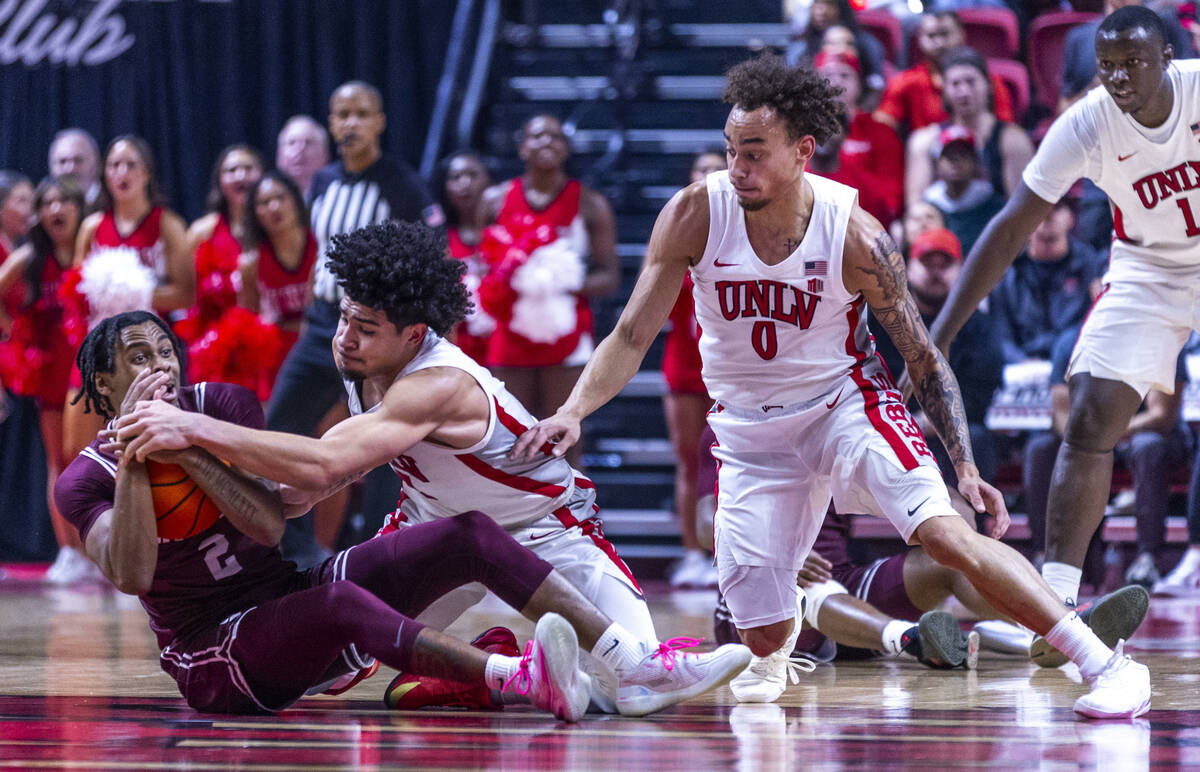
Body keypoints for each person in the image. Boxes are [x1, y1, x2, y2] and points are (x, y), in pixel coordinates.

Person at [508, 54, 1151, 718]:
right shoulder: (696, 214)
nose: (737, 167)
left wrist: (962, 464)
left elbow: (923, 358)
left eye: (754, 152)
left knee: (946, 535)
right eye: (731, 150)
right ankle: (780, 653)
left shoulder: (855, 234)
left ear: (801, 150)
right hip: (749, 430)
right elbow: (631, 335)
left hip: (845, 405)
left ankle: (1104, 662)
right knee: (758, 635)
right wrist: (575, 410)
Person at [110, 221, 750, 714]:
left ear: (415, 336)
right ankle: (489, 674)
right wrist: (285, 488)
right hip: (433, 524)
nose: (347, 337)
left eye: (366, 326)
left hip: (548, 532)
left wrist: (193, 427)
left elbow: (331, 452)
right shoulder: (359, 355)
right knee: (334, 672)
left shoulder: (437, 384)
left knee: (631, 695)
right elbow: (339, 465)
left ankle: (605, 659)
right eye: (345, 317)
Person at [928, 7, 1200, 616]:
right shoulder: (1086, 124)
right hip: (1147, 268)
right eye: (1108, 67)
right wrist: (936, 338)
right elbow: (1007, 231)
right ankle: (1058, 604)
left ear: (1167, 60)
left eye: (1134, 64)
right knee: (1090, 416)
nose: (1120, 78)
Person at [268, 81, 444, 567]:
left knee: (385, 440)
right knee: (281, 424)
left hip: (375, 335)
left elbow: (433, 255)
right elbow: (319, 256)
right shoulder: (323, 182)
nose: (351, 123)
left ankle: (382, 550)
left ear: (380, 121)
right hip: (321, 326)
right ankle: (294, 547)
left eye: (361, 113)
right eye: (342, 114)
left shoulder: (403, 186)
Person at [478, 115, 621, 467]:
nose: (546, 142)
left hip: (568, 339)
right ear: (523, 146)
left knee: (563, 442)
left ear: (566, 149)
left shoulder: (590, 204)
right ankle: (511, 521)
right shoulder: (494, 201)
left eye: (556, 136)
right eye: (537, 135)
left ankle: (573, 521)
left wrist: (560, 283)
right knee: (508, 439)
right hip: (510, 337)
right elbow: (483, 266)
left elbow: (610, 277)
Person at [67, 136, 192, 462]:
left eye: (131, 165)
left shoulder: (168, 225)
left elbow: (187, 293)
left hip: (147, 354)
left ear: (146, 174)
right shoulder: (92, 227)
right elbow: (75, 291)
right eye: (114, 165)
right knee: (77, 454)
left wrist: (135, 294)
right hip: (97, 348)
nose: (122, 172)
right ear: (106, 174)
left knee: (143, 456)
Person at [0, 177, 94, 582]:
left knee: (100, 460)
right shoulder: (31, 258)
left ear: (79, 208)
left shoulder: (93, 251)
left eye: (65, 201)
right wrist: (13, 329)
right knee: (60, 459)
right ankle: (68, 551)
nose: (57, 209)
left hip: (94, 368)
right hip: (53, 368)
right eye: (48, 202)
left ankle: (102, 549)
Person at [870, 227, 1001, 484]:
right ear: (907, 268)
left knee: (975, 437)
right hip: (889, 423)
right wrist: (904, 421)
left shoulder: (979, 326)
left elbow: (979, 395)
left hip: (952, 429)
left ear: (961, 270)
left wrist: (927, 422)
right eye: (927, 262)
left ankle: (972, 516)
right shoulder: (879, 322)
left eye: (945, 264)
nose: (936, 272)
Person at [662, 151, 724, 588]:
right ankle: (691, 553)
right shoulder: (674, 228)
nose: (706, 175)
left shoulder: (743, 228)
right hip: (686, 363)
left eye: (714, 168)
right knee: (687, 460)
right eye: (698, 168)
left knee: (731, 460)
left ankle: (728, 553)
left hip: (731, 366)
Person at [178, 145, 265, 381]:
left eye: (248, 168)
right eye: (232, 170)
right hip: (213, 352)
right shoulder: (201, 232)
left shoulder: (274, 228)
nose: (240, 175)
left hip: (263, 351)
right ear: (220, 181)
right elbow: (186, 295)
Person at [905, 49, 1034, 208]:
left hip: (995, 229)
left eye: (971, 82)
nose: (964, 92)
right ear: (944, 90)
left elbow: (1021, 211)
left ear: (988, 85)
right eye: (955, 84)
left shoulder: (1012, 140)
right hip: (940, 230)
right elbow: (915, 210)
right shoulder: (924, 141)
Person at [988, 201, 1105, 365]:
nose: (1048, 215)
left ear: (1071, 218)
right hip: (1022, 371)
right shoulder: (1007, 274)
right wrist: (1024, 364)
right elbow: (1000, 337)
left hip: (1077, 362)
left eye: (1056, 207)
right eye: (1038, 208)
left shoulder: (1093, 267)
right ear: (1023, 222)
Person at [237, 171, 317, 394]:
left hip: (324, 344)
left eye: (280, 198)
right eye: (264, 202)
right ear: (254, 213)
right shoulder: (250, 263)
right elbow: (249, 322)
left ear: (295, 199)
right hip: (279, 357)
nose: (274, 207)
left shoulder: (322, 243)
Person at [874, 12, 1014, 133]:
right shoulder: (905, 82)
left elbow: (1004, 131)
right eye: (931, 36)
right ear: (919, 40)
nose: (939, 43)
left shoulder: (988, 82)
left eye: (945, 34)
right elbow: (881, 127)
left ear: (961, 34)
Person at [815, 50, 904, 227]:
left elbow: (890, 198)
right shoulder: (798, 130)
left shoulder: (881, 132)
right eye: (827, 75)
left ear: (859, 84)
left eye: (845, 75)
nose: (836, 82)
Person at [436, 150, 495, 366]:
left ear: (488, 181)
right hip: (460, 353)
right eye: (455, 177)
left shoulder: (508, 233)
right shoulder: (440, 241)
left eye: (472, 174)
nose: (465, 183)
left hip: (506, 350)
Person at [920, 125, 1007, 254]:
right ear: (937, 162)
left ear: (976, 162)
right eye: (949, 155)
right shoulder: (928, 205)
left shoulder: (993, 205)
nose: (956, 161)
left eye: (963, 154)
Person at [275, 115, 330, 199]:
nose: (300, 149)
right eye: (292, 142)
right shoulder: (267, 201)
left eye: (308, 142)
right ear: (279, 155)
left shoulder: (337, 194)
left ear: (325, 154)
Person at [47, 129, 102, 208]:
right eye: (62, 161)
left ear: (95, 164)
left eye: (78, 160)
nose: (70, 169)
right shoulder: (41, 213)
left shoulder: (113, 205)